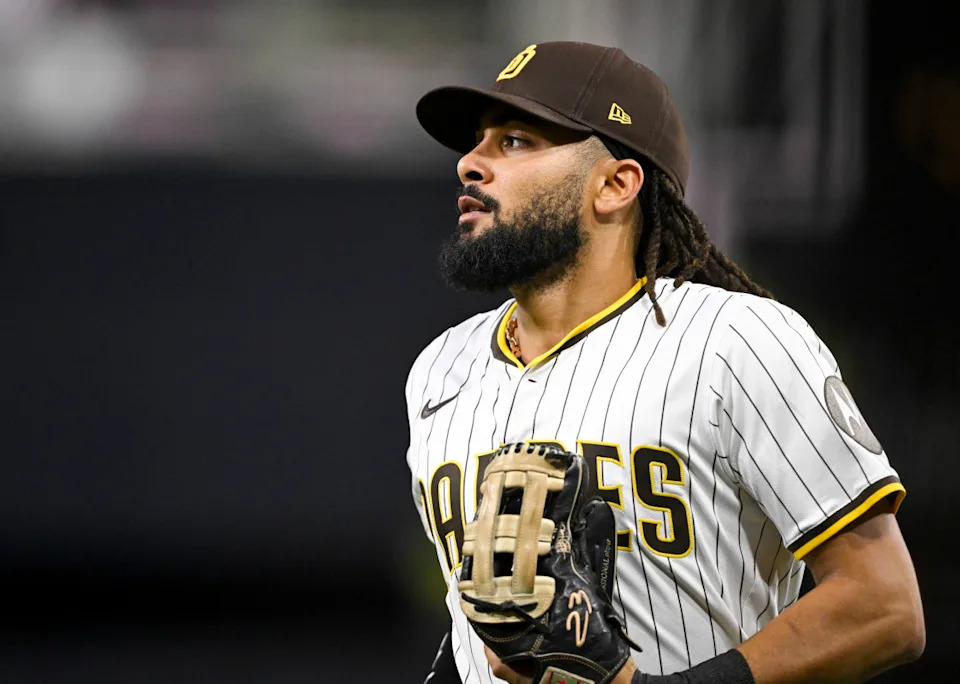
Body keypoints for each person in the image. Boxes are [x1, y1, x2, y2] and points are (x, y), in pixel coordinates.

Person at [405, 41, 925, 683]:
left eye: (514, 141)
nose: (469, 165)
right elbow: (479, 623)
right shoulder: (440, 371)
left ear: (616, 184)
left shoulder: (735, 341)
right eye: (477, 141)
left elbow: (884, 606)